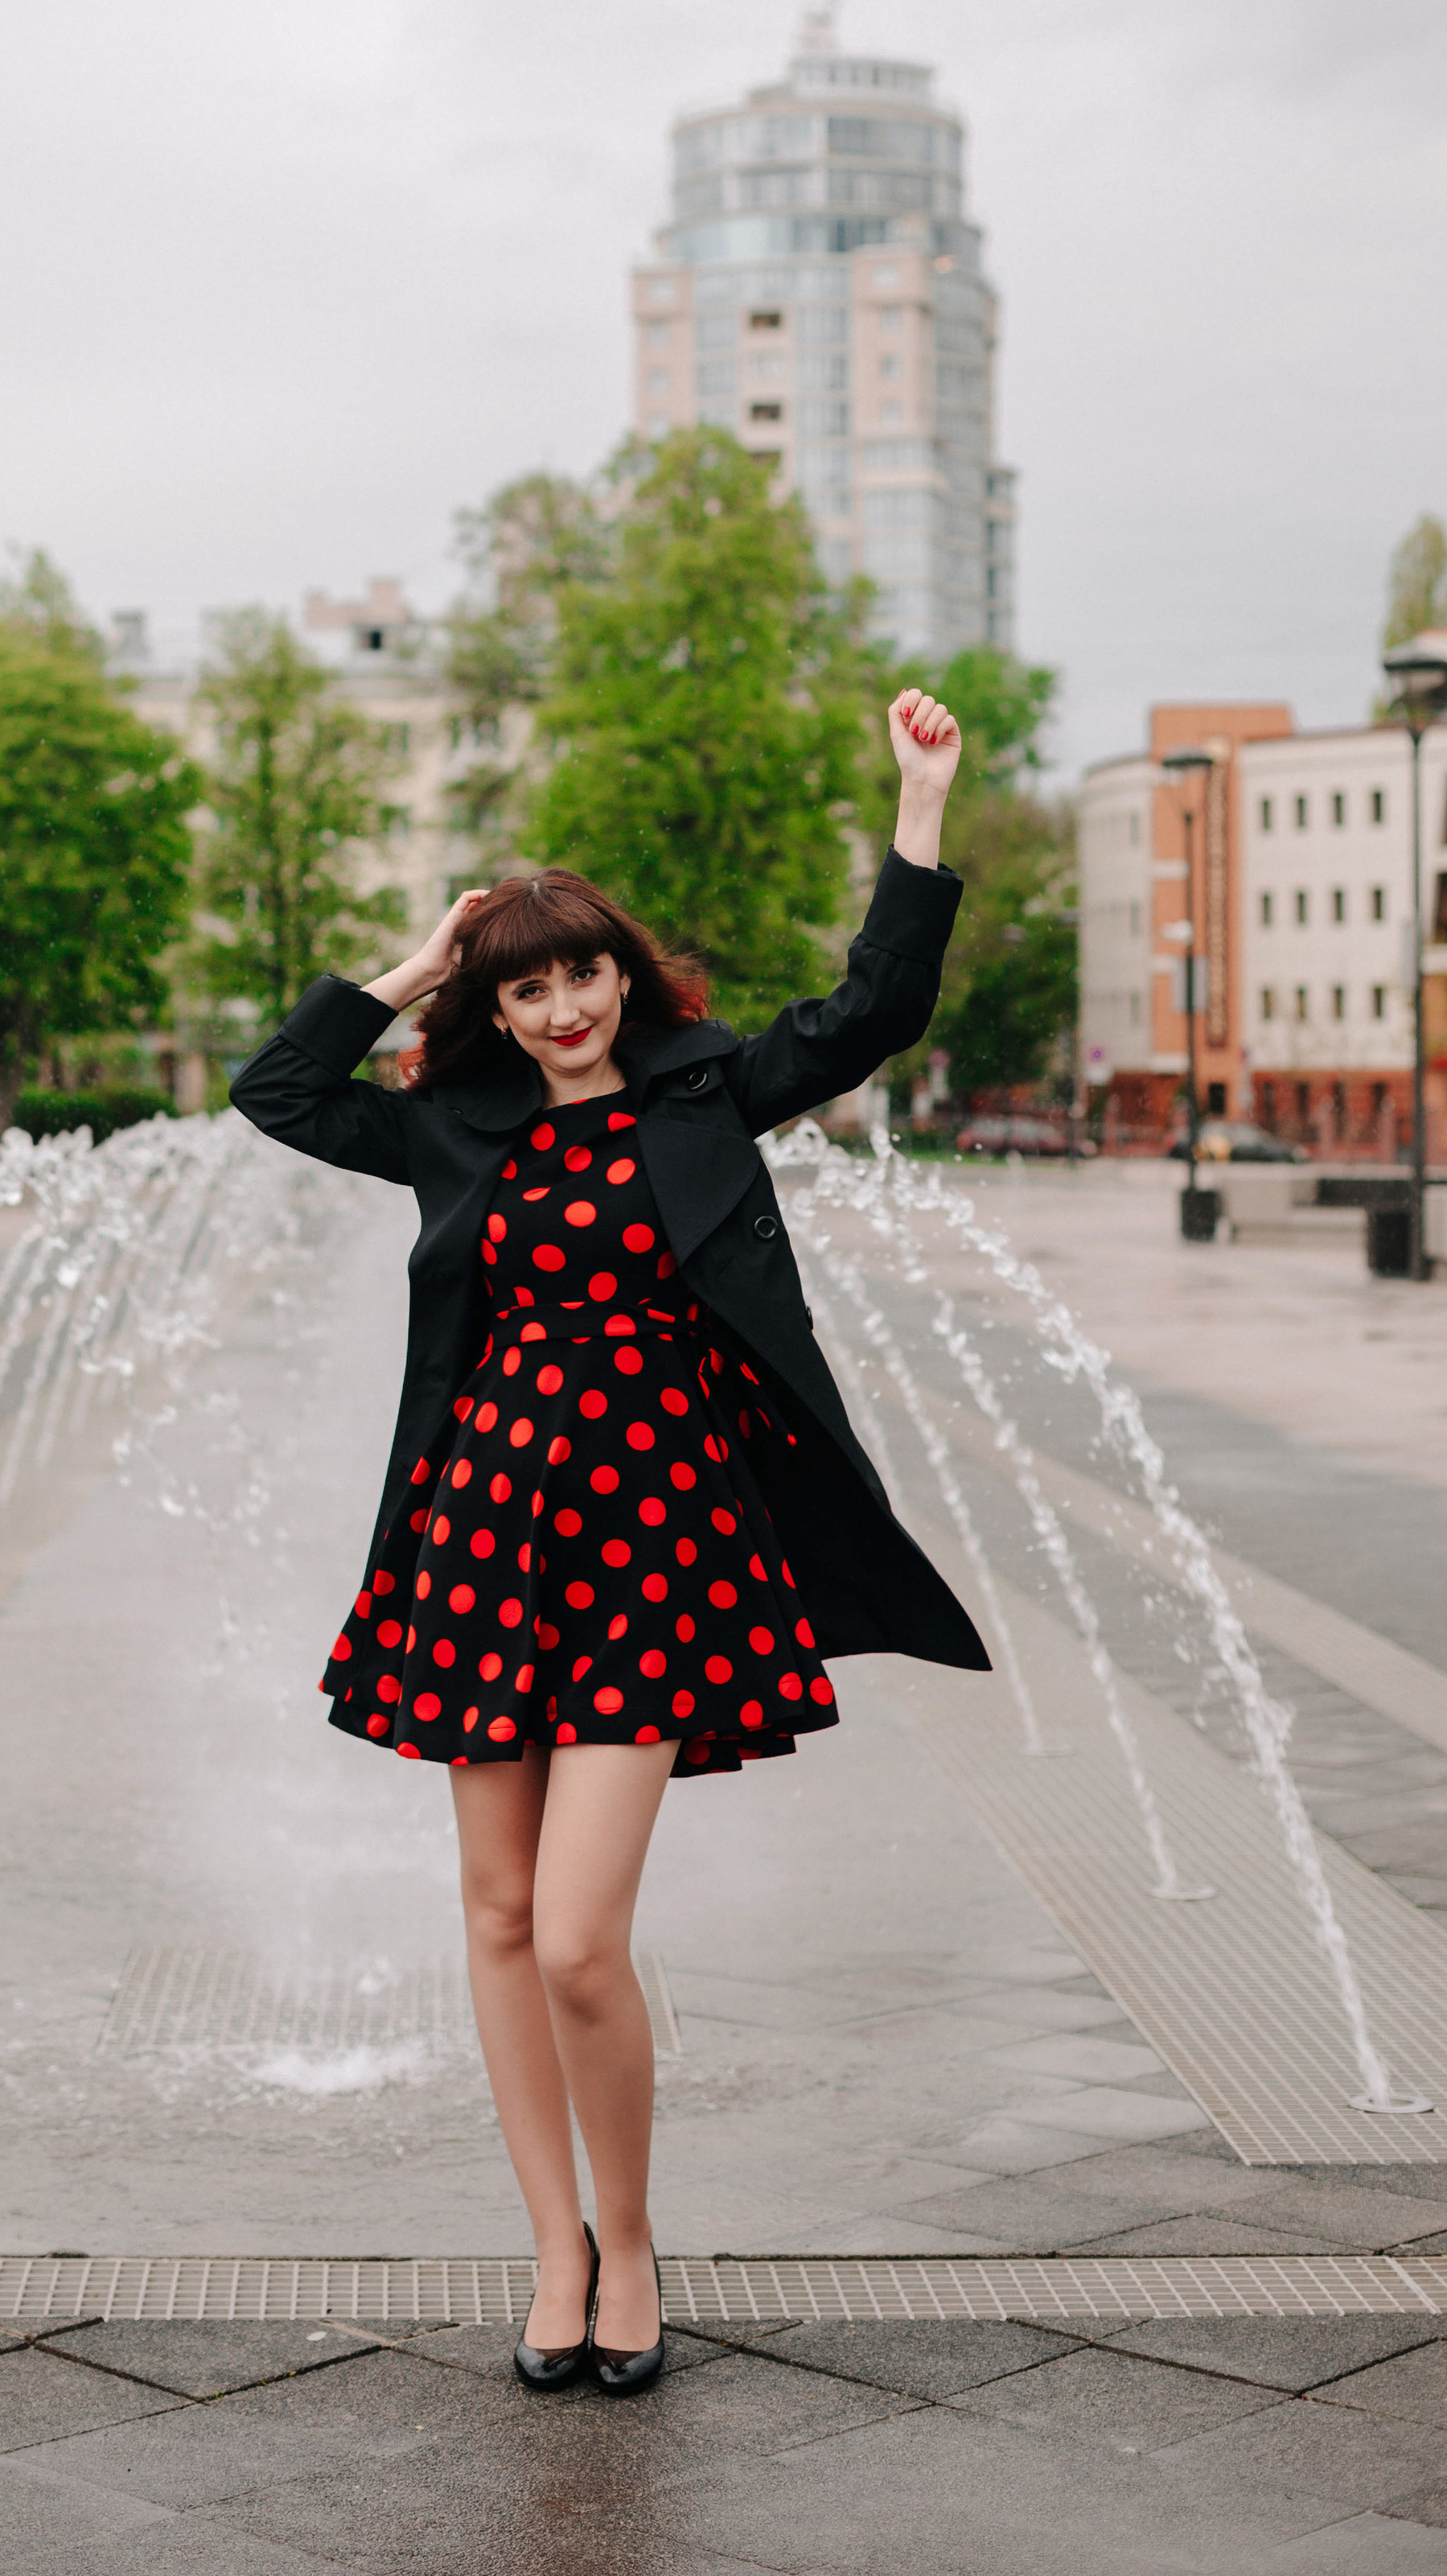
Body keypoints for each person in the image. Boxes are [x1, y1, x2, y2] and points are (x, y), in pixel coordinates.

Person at [231, 685, 985, 2397]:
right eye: (528, 985)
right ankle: (548, 2247)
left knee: (576, 1934)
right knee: (494, 1917)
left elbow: (874, 1006)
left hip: (660, 1543)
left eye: (583, 975)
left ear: (623, 982)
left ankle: (629, 2235)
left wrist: (917, 804)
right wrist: (411, 969)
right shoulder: (448, 1125)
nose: (564, 1008)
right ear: (494, 1006)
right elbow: (274, 1090)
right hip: (479, 1544)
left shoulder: (708, 1091)